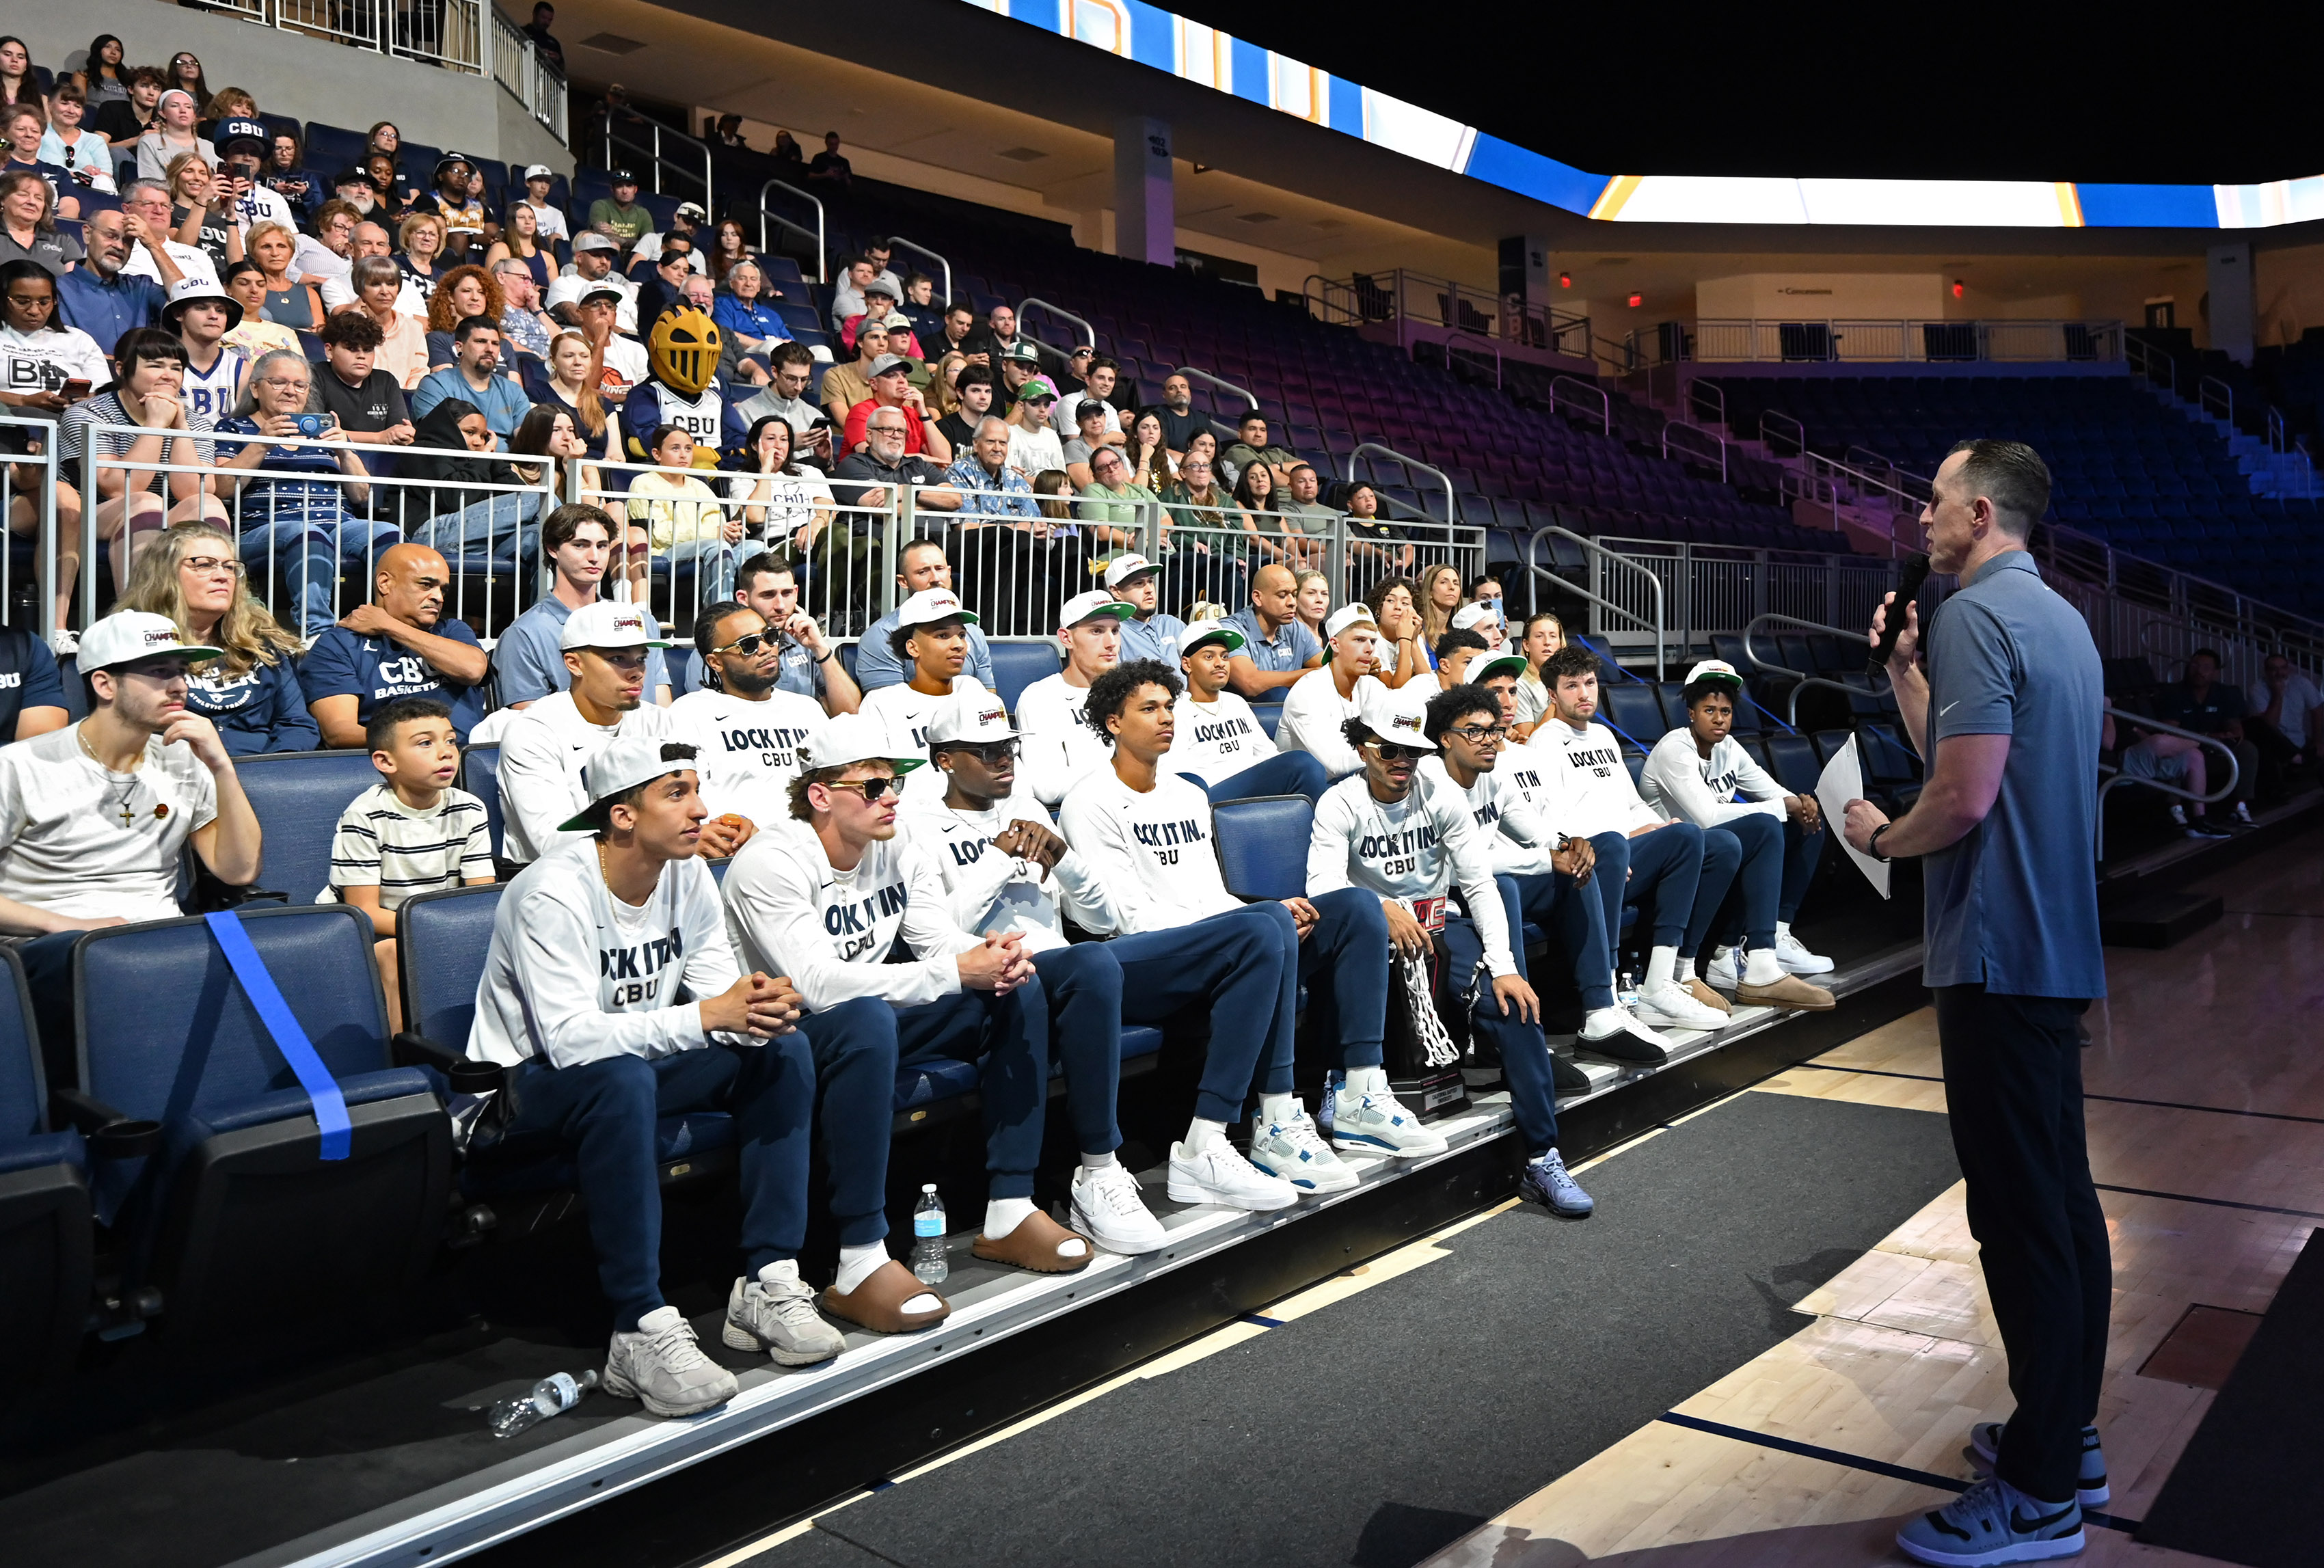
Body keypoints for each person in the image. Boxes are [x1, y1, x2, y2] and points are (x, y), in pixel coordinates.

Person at [1833, 443, 2113, 1567]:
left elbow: (1961, 795)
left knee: (2021, 1220)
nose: (1921, 516)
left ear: (1981, 512)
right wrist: (1908, 675)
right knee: (2063, 1206)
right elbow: (1979, 752)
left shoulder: (1976, 613)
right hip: (2055, 947)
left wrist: (1880, 837)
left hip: (1998, 953)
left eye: (1935, 500)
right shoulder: (2061, 617)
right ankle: (2066, 1434)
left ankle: (2040, 1496)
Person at [470, 732, 871, 1407]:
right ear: (622, 814)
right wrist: (709, 1015)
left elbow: (717, 993)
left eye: (697, 791)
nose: (701, 809)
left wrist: (757, 1007)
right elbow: (569, 1042)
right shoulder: (552, 892)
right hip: (522, 1090)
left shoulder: (685, 874)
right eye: (677, 794)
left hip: (631, 1066)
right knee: (621, 1076)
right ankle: (638, 1327)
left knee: (782, 1048)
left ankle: (768, 1277)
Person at [722, 711, 1100, 1297]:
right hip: (788, 1036)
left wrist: (986, 955)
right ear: (820, 796)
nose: (892, 797)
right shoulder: (772, 861)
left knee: (1014, 987)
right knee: (866, 1019)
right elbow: (815, 986)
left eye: (895, 781)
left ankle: (1010, 1206)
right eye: (873, 786)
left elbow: (935, 939)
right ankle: (860, 1255)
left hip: (874, 1016)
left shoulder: (898, 843)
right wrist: (954, 971)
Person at [1064, 659, 1395, 1200]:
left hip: (1209, 942)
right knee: (1262, 927)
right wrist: (1240, 925)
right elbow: (1126, 917)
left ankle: (1360, 1094)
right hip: (1138, 960)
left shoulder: (1188, 794)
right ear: (1114, 722)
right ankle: (1226, 1135)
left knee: (1355, 908)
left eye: (1169, 707)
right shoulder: (1089, 801)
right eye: (1149, 709)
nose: (1166, 718)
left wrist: (1264, 910)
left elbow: (1211, 895)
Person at [1307, 681, 1595, 1212]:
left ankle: (1542, 1159)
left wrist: (1505, 966)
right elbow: (1322, 885)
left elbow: (1480, 884)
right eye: (1389, 750)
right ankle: (1340, 1080)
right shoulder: (1339, 802)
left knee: (1516, 1005)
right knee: (1343, 935)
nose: (1402, 761)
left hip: (1439, 929)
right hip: (1371, 938)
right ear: (1363, 747)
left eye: (1413, 751)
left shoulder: (1439, 796)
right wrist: (1379, 907)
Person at [0, 612, 262, 1064]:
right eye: (160, 672)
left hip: (161, 939)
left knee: (275, 939)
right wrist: (65, 925)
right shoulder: (21, 766)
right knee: (97, 966)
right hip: (54, 951)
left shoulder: (184, 759)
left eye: (181, 670)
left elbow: (238, 871)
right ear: (105, 685)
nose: (179, 686)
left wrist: (221, 766)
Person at [1420, 677, 1668, 1072]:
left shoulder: (1492, 776)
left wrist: (1569, 845)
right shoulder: (1430, 785)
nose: (1489, 740)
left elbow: (1536, 833)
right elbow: (1454, 868)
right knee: (1504, 887)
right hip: (1446, 897)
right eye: (1474, 732)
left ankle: (1600, 1013)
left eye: (1493, 731)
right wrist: (1546, 860)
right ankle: (1521, 1034)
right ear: (1445, 739)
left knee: (1591, 855)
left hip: (1488, 880)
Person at [1526, 644, 1737, 1032]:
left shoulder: (1604, 736)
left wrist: (1659, 826)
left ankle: (1661, 982)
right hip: (1593, 860)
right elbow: (1552, 823)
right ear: (1552, 695)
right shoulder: (1545, 742)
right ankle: (1607, 995)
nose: (1585, 693)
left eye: (1590, 683)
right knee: (1620, 842)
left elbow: (1634, 805)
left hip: (1623, 849)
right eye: (1572, 686)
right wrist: (1618, 844)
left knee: (1692, 836)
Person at [1642, 660, 1835, 999]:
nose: (1719, 719)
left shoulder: (1729, 748)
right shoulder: (1675, 749)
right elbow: (1707, 818)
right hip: (1674, 850)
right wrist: (1784, 807)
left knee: (1806, 826)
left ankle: (1774, 936)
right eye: (1709, 710)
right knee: (1764, 825)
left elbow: (1770, 789)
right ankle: (1756, 958)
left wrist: (1800, 803)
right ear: (1691, 713)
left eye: (1726, 711)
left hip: (1716, 845)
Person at [329, 696, 494, 1029]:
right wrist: (435, 930)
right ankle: (406, 1049)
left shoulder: (470, 808)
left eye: (450, 740)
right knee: (393, 953)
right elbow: (364, 911)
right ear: (386, 762)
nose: (446, 752)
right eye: (425, 743)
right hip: (374, 931)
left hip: (436, 925)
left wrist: (452, 929)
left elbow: (479, 898)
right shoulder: (364, 816)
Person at [213, 348, 400, 638]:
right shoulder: (235, 428)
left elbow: (363, 495)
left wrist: (345, 451)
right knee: (308, 533)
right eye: (279, 382)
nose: (291, 391)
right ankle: (317, 634)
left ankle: (395, 627)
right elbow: (223, 487)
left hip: (338, 525)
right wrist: (260, 444)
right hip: (265, 529)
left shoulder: (322, 432)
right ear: (256, 388)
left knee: (389, 535)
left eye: (300, 385)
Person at [498, 599, 684, 867]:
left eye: (642, 659)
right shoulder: (533, 731)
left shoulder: (661, 722)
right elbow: (553, 841)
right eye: (618, 659)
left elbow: (695, 806)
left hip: (653, 868)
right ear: (574, 663)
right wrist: (664, 837)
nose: (636, 672)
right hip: (556, 880)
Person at [59, 327, 229, 597]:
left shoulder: (196, 422)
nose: (168, 375)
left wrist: (180, 428)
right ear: (121, 369)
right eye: (155, 365)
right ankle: (140, 612)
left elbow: (197, 490)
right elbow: (119, 488)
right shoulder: (88, 414)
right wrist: (156, 424)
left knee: (208, 504)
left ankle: (210, 610)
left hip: (165, 515)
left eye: (176, 368)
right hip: (90, 515)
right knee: (144, 503)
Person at [118, 524, 315, 755]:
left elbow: (297, 725)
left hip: (262, 768)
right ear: (165, 574)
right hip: (175, 767)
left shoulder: (262, 646)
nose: (222, 576)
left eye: (229, 567)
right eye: (204, 565)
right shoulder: (132, 643)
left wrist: (270, 769)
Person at [301, 543, 492, 747]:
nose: (438, 597)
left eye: (443, 590)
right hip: (390, 759)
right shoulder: (339, 643)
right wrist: (414, 743)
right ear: (385, 583)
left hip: (467, 758)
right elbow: (339, 732)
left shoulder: (451, 630)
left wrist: (388, 625)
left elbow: (473, 670)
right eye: (426, 585)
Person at [666, 601, 826, 831]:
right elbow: (684, 795)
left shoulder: (808, 709)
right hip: (735, 842)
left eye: (769, 636)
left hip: (813, 840)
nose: (766, 649)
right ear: (715, 662)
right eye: (748, 645)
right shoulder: (689, 712)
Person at [493, 504, 673, 708]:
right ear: (552, 549)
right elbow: (529, 719)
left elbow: (663, 709)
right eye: (580, 545)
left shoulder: (642, 622)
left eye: (602, 546)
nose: (594, 557)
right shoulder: (525, 634)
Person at [1165, 617, 1328, 803]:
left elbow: (1267, 754)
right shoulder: (1175, 710)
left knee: (1329, 783)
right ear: (1187, 664)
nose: (1220, 663)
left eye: (1225, 656)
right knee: (1303, 764)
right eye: (1209, 657)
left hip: (1253, 788)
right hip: (1210, 794)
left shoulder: (1236, 703)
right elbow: (1173, 773)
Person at [856, 587, 991, 805]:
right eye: (943, 636)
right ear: (913, 648)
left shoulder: (973, 690)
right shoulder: (881, 703)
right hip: (912, 816)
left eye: (961, 635)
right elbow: (876, 781)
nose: (959, 645)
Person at [1015, 589, 1138, 807]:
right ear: (1067, 638)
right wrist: (1131, 770)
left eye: (1115, 631)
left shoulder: (1135, 693)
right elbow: (1048, 788)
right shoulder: (1040, 698)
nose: (1111, 643)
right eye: (1097, 631)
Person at [852, 540, 998, 692]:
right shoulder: (882, 635)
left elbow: (989, 698)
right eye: (923, 572)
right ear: (903, 581)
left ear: (949, 572)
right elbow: (889, 704)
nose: (935, 579)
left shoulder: (974, 632)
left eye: (940, 569)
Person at [625, 422, 742, 604]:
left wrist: (725, 532)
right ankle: (720, 614)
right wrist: (713, 533)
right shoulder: (643, 483)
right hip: (665, 551)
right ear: (657, 454)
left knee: (756, 549)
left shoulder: (700, 486)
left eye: (688, 448)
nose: (683, 455)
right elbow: (659, 535)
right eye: (675, 448)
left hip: (705, 547)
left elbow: (717, 521)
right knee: (718, 547)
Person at [2151, 648, 2260, 827]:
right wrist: (2208, 737)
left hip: (2215, 751)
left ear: (2215, 673)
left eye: (2206, 667)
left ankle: (2240, 807)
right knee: (2172, 753)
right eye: (2195, 666)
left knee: (2247, 749)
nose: (2199, 671)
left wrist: (2232, 733)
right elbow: (2169, 732)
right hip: (2186, 750)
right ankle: (2175, 809)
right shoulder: (2174, 693)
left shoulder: (2225, 693)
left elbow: (2234, 726)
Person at [1275, 604, 1385, 778]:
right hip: (1307, 789)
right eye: (1359, 640)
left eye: (1372, 641)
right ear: (1335, 644)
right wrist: (1389, 756)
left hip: (1356, 780)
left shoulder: (1373, 687)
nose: (1369, 648)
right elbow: (1335, 764)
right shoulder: (1308, 691)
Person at [54, 206, 171, 349]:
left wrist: (153, 244)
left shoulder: (142, 287)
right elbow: (65, 349)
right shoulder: (59, 290)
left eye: (128, 241)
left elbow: (185, 302)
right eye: (111, 236)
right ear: (87, 234)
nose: (120, 246)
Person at [1224, 562, 1325, 699]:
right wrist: (1314, 674)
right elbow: (1251, 684)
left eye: (1294, 594)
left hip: (1289, 710)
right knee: (1279, 694)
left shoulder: (1296, 628)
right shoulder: (1232, 630)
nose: (1292, 602)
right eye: (1283, 595)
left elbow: (1330, 667)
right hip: (1247, 710)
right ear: (1258, 598)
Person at [164, 274, 246, 429]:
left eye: (220, 310)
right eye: (201, 308)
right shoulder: (160, 365)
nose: (214, 316)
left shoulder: (242, 370)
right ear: (178, 314)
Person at [731, 342, 833, 468]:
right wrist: (790, 445)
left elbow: (829, 471)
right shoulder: (745, 412)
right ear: (775, 372)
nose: (799, 387)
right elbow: (745, 463)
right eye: (791, 379)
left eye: (804, 379)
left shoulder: (814, 415)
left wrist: (825, 461)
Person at [346, 255, 431, 390]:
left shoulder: (413, 328)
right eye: (375, 284)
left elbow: (419, 372)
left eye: (391, 284)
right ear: (360, 290)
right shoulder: (349, 328)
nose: (385, 292)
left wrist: (404, 397)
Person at [0, 169, 83, 278]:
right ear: (2, 200)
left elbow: (76, 283)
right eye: (23, 195)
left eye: (38, 198)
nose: (32, 202)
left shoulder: (63, 241)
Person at [2249, 651, 2320, 771]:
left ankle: (2300, 758)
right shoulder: (2257, 690)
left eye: (2283, 668)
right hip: (2273, 745)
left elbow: (2317, 710)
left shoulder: (2300, 682)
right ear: (2266, 671)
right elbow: (2269, 725)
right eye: (2274, 669)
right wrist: (2278, 694)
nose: (2279, 673)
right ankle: (2296, 758)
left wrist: (2318, 741)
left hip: (2299, 740)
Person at [135, 89, 213, 184]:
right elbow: (152, 184)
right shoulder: (150, 142)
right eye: (175, 106)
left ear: (194, 116)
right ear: (162, 113)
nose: (183, 111)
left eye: (188, 107)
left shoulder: (209, 147)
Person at [1513, 611, 1564, 734]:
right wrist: (1557, 702)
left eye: (1553, 636)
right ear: (1526, 645)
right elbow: (1526, 740)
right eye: (1539, 636)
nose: (1547, 642)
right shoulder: (1519, 685)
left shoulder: (1569, 680)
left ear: (1561, 644)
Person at [589, 170, 653, 249]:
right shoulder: (601, 206)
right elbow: (602, 235)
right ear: (612, 189)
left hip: (634, 254)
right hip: (606, 252)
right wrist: (639, 243)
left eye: (629, 186)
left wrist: (614, 235)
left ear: (635, 189)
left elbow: (650, 243)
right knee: (614, 245)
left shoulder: (643, 213)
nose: (625, 191)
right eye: (619, 186)